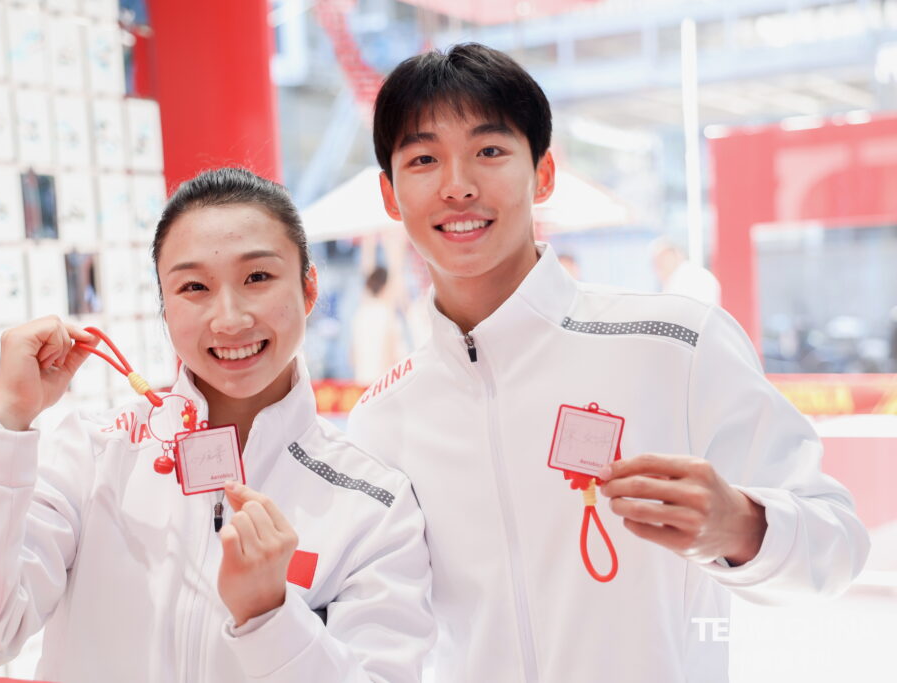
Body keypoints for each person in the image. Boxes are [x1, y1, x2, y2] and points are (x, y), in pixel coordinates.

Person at [347, 43, 869, 683]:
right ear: (391, 194)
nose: (457, 185)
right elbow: (383, 636)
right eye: (424, 159)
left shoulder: (672, 342)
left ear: (543, 174)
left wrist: (741, 526)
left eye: (489, 151)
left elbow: (838, 543)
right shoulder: (382, 422)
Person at [0, 168, 434, 682]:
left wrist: (271, 616)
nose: (229, 318)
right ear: (164, 304)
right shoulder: (95, 453)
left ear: (308, 288)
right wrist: (6, 423)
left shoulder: (375, 507)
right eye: (193, 288)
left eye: (258, 277)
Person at [650, 236, 722, 305]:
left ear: (676, 255)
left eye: (664, 259)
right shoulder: (687, 273)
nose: (658, 268)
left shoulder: (686, 276)